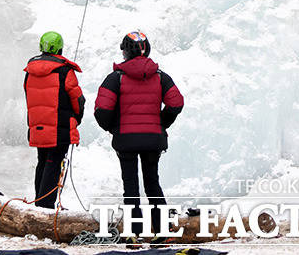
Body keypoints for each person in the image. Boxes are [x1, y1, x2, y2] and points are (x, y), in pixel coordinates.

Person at [94, 30, 184, 240]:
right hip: (153, 139)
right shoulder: (161, 77)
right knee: (153, 182)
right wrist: (162, 123)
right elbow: (176, 103)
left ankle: (134, 233)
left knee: (131, 187)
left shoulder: (116, 78)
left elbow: (102, 110)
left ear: (125, 52)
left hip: (126, 140)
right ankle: (162, 230)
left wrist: (114, 128)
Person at [23, 31, 85, 209]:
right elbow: (78, 100)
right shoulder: (65, 71)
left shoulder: (29, 71)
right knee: (54, 162)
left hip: (37, 126)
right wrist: (76, 119)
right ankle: (46, 205)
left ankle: (39, 201)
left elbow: (29, 97)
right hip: (60, 127)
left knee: (42, 161)